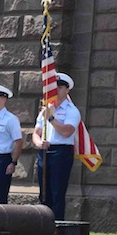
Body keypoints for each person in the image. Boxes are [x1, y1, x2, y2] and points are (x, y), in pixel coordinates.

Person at [33, 72, 80, 221]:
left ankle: (56, 226)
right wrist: (39, 143)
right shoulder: (45, 109)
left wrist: (51, 118)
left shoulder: (72, 111)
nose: (57, 90)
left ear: (67, 90)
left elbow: (67, 131)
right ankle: (43, 224)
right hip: (45, 152)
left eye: (60, 87)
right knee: (44, 192)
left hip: (61, 152)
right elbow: (36, 133)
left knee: (57, 192)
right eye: (54, 87)